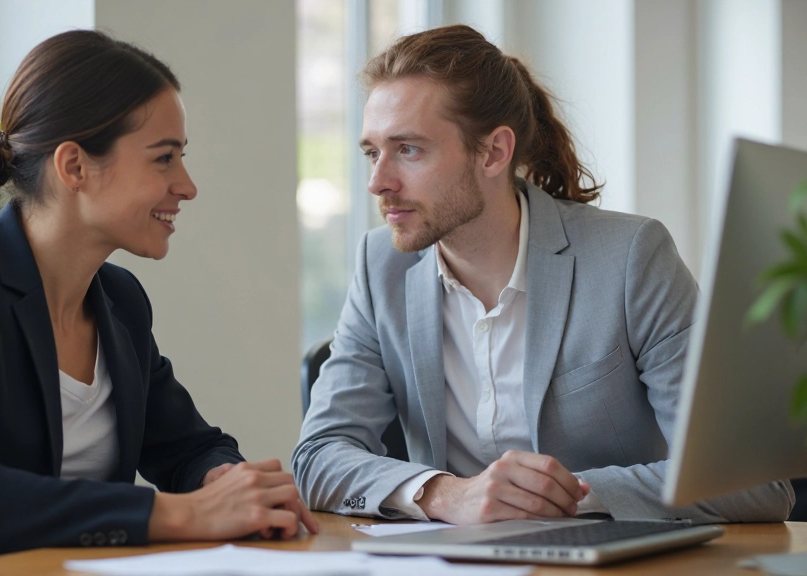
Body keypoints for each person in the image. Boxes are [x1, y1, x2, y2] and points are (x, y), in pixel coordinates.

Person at [0, 30, 316, 576]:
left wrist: (223, 482)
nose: (187, 185)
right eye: (164, 158)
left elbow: (188, 446)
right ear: (75, 166)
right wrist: (183, 515)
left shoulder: (121, 301)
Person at [292, 24, 793, 526]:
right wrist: (445, 495)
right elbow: (317, 459)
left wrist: (564, 494)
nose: (379, 182)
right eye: (372, 152)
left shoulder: (630, 258)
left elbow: (756, 487)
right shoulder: (381, 268)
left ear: (493, 152)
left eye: (409, 150)